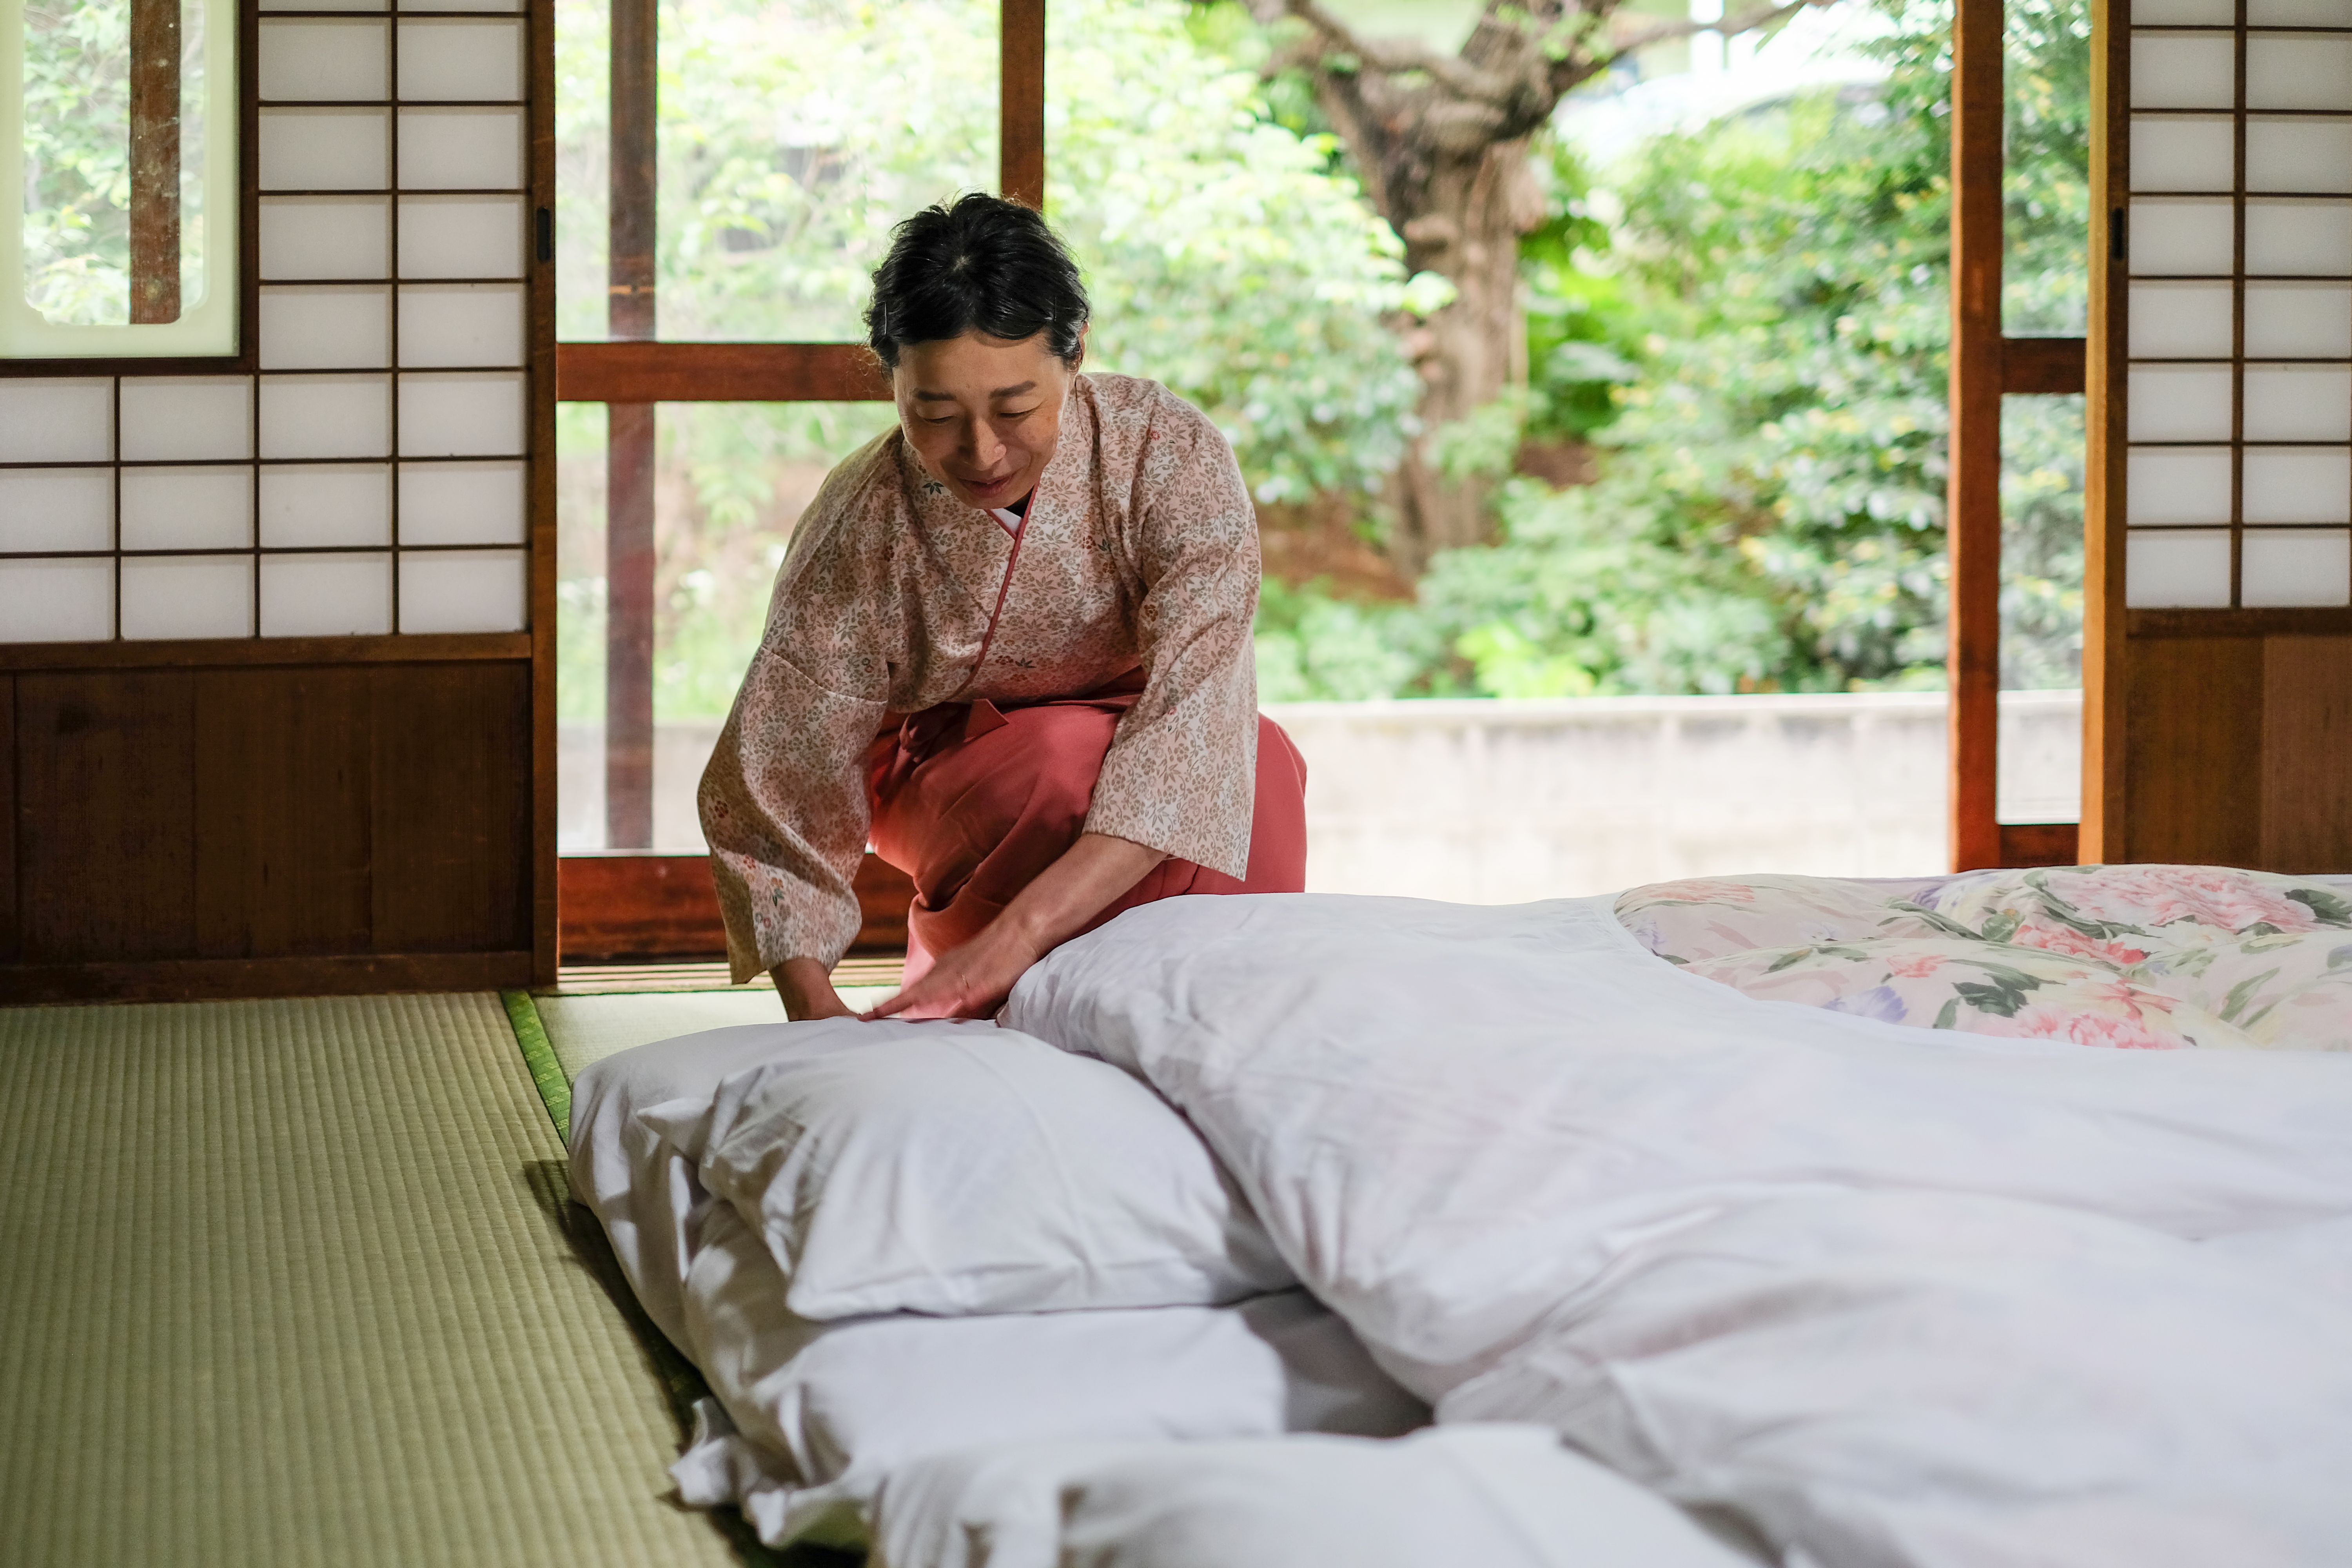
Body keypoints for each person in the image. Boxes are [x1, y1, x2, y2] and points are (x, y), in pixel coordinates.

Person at [699, 192, 1307, 1022]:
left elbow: (1199, 717)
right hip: (949, 759)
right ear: (894, 383)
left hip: (1150, 726)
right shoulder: (864, 519)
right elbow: (782, 775)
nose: (982, 452)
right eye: (935, 415)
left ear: (1075, 357)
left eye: (1016, 408)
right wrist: (816, 1015)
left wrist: (1020, 933)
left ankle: (1215, 1021)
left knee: (1263, 760)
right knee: (1058, 760)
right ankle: (970, 994)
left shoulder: (1167, 450)